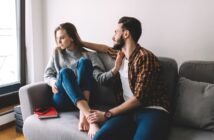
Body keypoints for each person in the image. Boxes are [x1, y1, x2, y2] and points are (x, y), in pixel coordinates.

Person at [84, 16, 170, 140]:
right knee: (99, 138)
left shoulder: (145, 58)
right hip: (127, 112)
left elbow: (139, 99)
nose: (113, 37)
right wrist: (79, 42)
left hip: (152, 110)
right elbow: (104, 48)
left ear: (125, 34)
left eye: (116, 32)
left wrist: (107, 114)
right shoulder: (121, 55)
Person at [44, 22, 107, 139]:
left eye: (62, 38)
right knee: (64, 72)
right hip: (62, 99)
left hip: (84, 98)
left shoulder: (89, 55)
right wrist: (53, 82)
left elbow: (99, 76)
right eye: (57, 39)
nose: (59, 42)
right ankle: (91, 119)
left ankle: (83, 113)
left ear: (72, 37)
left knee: (84, 62)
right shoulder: (56, 53)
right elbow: (47, 74)